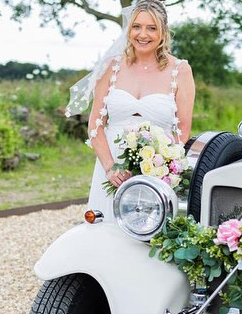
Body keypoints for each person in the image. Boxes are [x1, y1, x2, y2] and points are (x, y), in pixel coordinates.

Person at [65, 0, 195, 218]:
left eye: (151, 28)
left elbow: (183, 130)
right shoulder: (111, 67)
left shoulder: (180, 70)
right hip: (112, 167)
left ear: (163, 32)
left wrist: (159, 165)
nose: (142, 34)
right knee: (105, 227)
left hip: (155, 169)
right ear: (129, 30)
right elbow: (95, 127)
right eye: (137, 26)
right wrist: (110, 167)